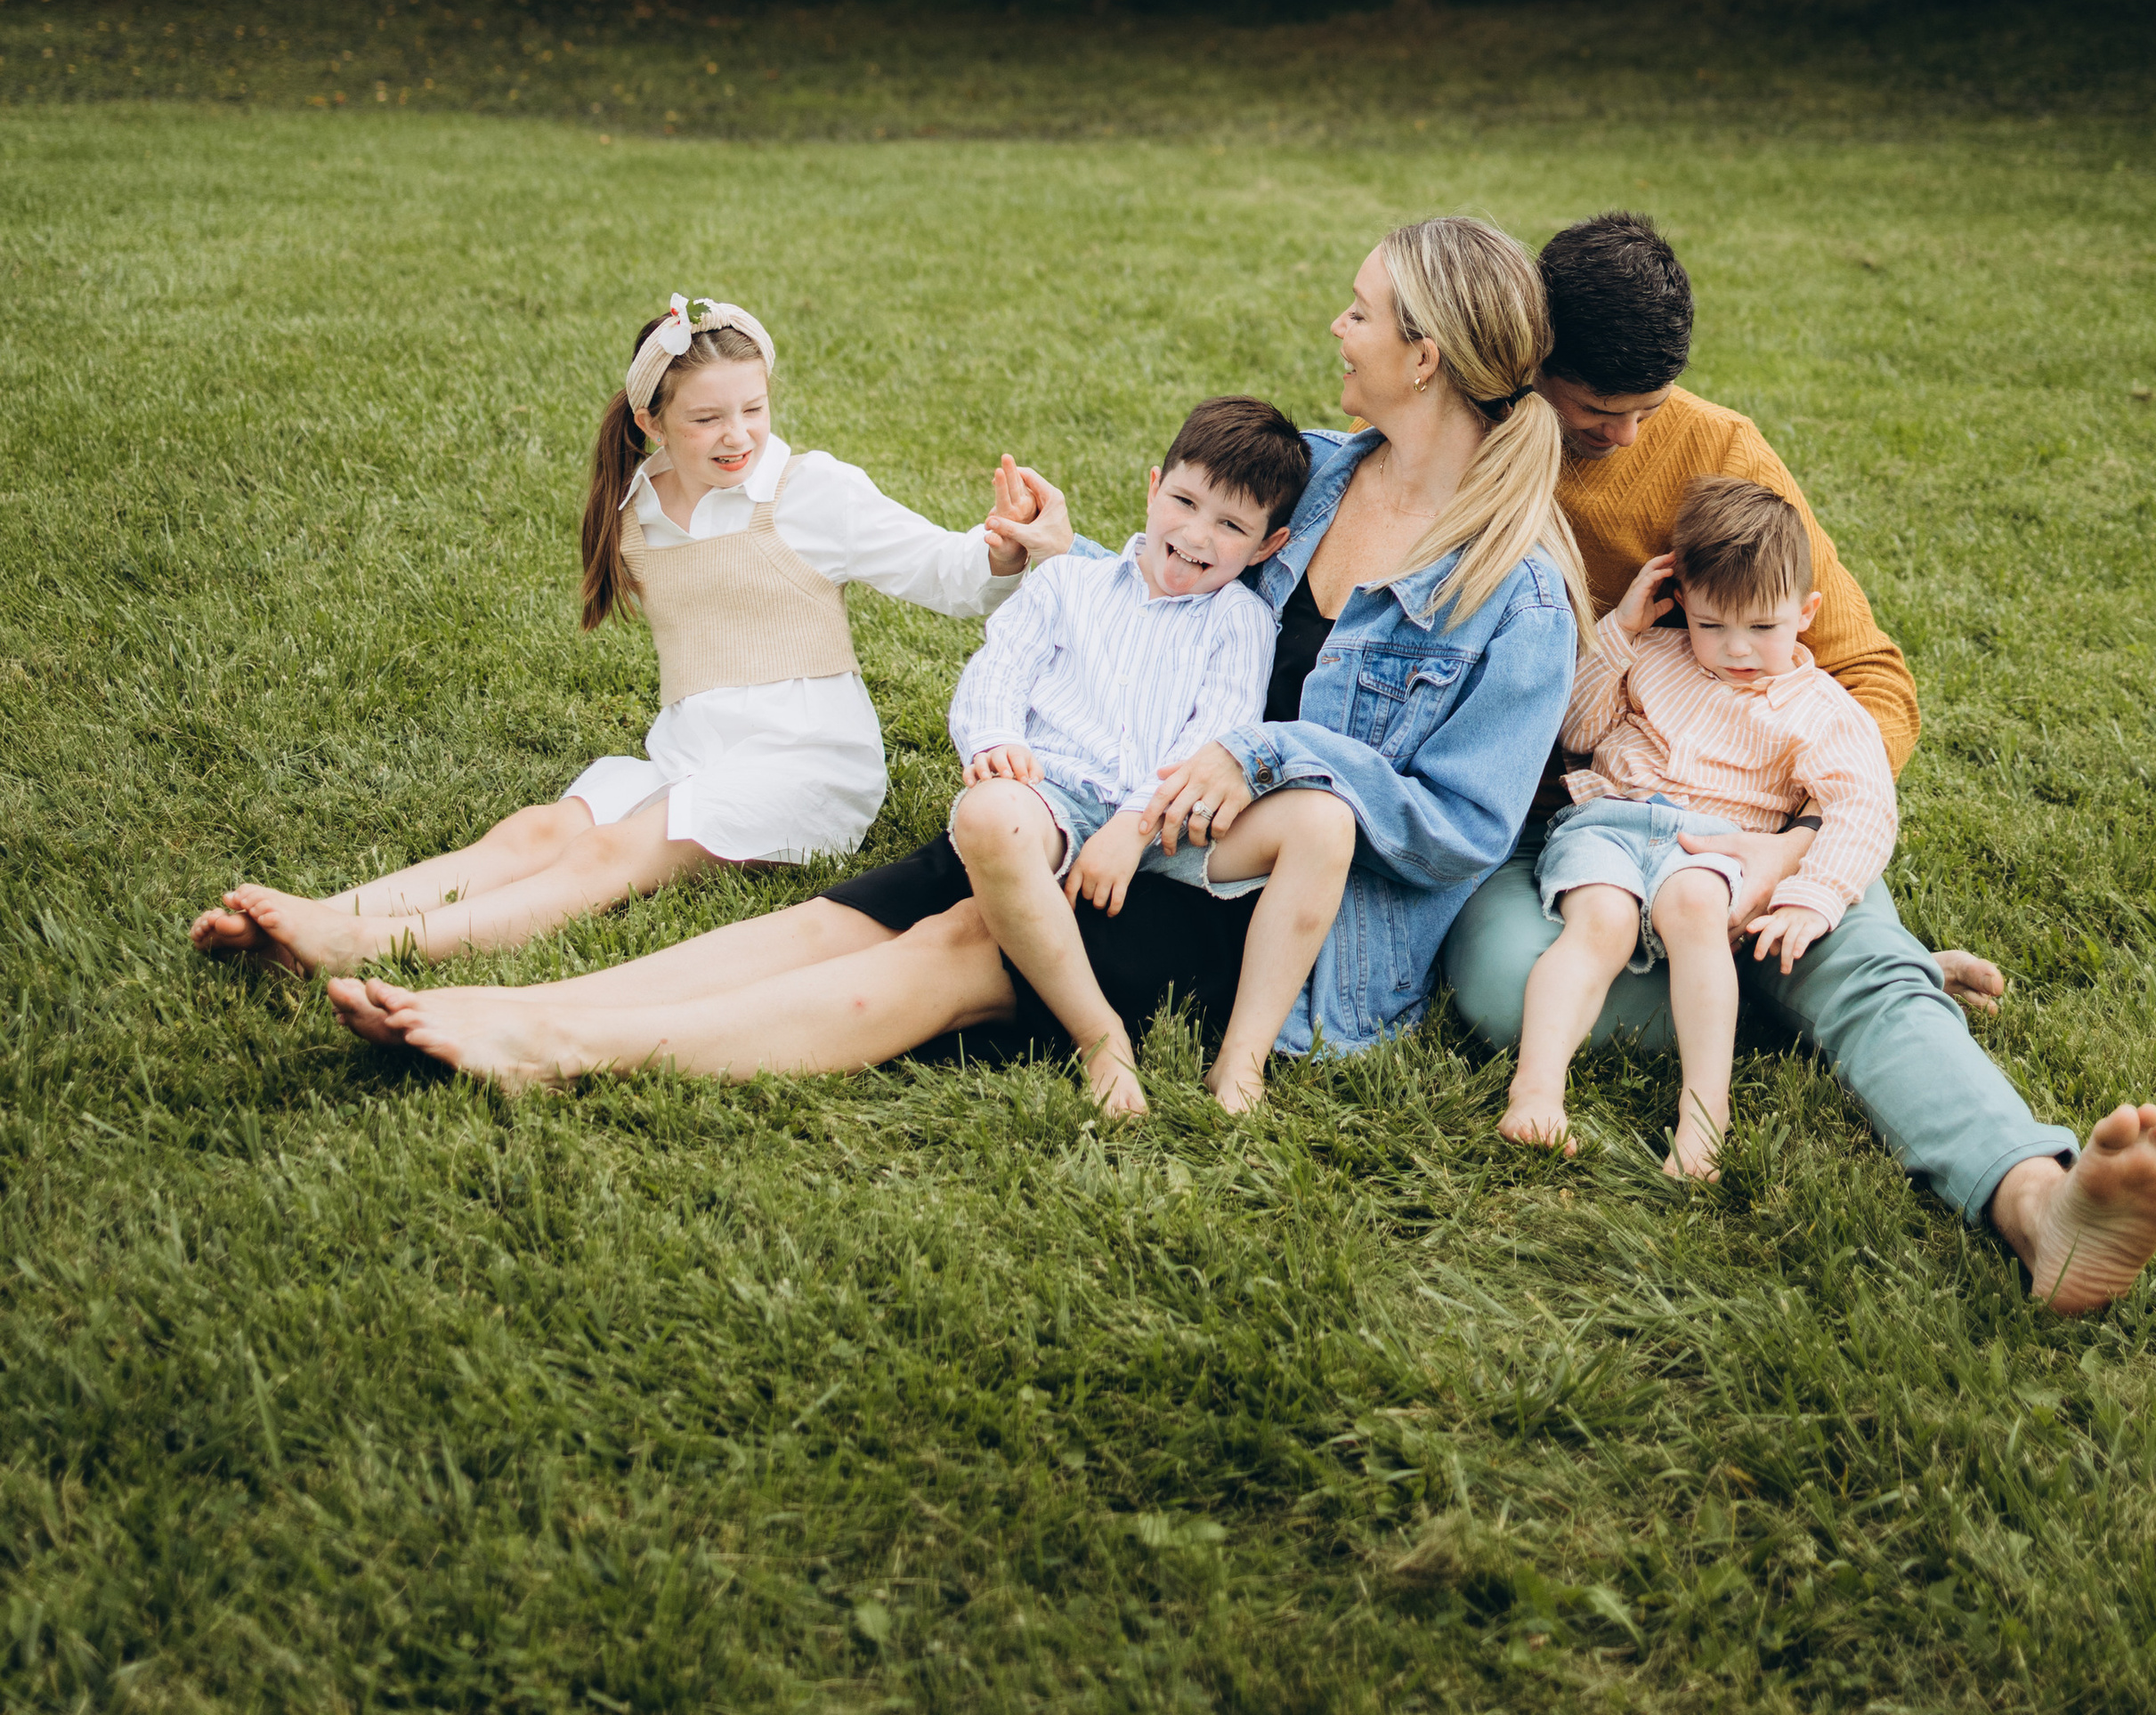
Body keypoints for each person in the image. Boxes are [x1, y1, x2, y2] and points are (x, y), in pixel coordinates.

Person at [325, 216, 1586, 1104]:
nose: (1337, 324)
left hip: (1261, 912)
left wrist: (1263, 756)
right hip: (1124, 804)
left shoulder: (1515, 591)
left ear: (1422, 355)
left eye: (1361, 310)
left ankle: (557, 1045)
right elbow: (1176, 601)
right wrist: (1065, 553)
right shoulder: (1317, 474)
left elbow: (1459, 831)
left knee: (948, 949)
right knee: (852, 911)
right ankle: (541, 1005)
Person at [1442, 213, 2156, 1314]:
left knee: (1830, 942)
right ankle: (1852, 991)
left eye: (1645, 411)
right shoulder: (1470, 444)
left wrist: (1784, 846)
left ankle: (2038, 1201)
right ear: (1529, 366)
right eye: (1597, 411)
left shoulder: (1720, 454)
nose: (1623, 436)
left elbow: (1872, 680)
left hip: (1755, 824)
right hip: (1572, 821)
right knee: (1502, 990)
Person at [197, 293, 1066, 975]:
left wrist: (999, 548)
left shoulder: (810, 492)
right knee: (535, 833)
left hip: (807, 765)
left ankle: (380, 946)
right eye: (706, 419)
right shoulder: (635, 504)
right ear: (650, 420)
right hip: (689, 753)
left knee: (608, 854)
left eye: (753, 410)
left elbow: (953, 584)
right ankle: (323, 915)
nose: (738, 436)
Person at [945, 398, 1358, 1120]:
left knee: (1325, 824)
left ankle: (1241, 1060)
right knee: (988, 817)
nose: (1197, 535)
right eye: (1185, 502)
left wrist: (1134, 825)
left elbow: (1215, 737)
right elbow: (998, 668)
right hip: (1055, 791)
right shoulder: (1065, 583)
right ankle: (1098, 1037)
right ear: (1153, 486)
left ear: (1268, 545)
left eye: (1232, 526)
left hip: (1170, 816)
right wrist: (995, 740)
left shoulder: (1241, 621)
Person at [1502, 475, 1897, 1178]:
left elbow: (1863, 806)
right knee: (1600, 923)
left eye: (1763, 628)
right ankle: (1535, 1094)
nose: (1737, 648)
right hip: (1609, 820)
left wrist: (1816, 894)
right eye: (1712, 625)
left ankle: (1702, 1122)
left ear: (1806, 613)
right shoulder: (1652, 653)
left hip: (1714, 841)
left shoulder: (1822, 708)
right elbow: (1577, 729)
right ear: (1681, 602)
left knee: (1695, 910)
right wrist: (1620, 632)